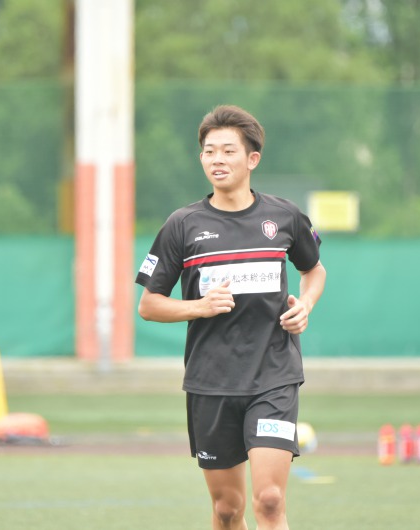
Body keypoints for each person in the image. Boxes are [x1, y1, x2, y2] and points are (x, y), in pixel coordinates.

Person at [136, 105, 326, 530]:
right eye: (209, 151)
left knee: (270, 501)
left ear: (252, 158)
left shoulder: (285, 217)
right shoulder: (182, 225)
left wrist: (306, 304)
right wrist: (199, 307)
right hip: (211, 383)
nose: (216, 160)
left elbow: (314, 270)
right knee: (227, 509)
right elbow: (149, 305)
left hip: (274, 376)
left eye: (227, 151)